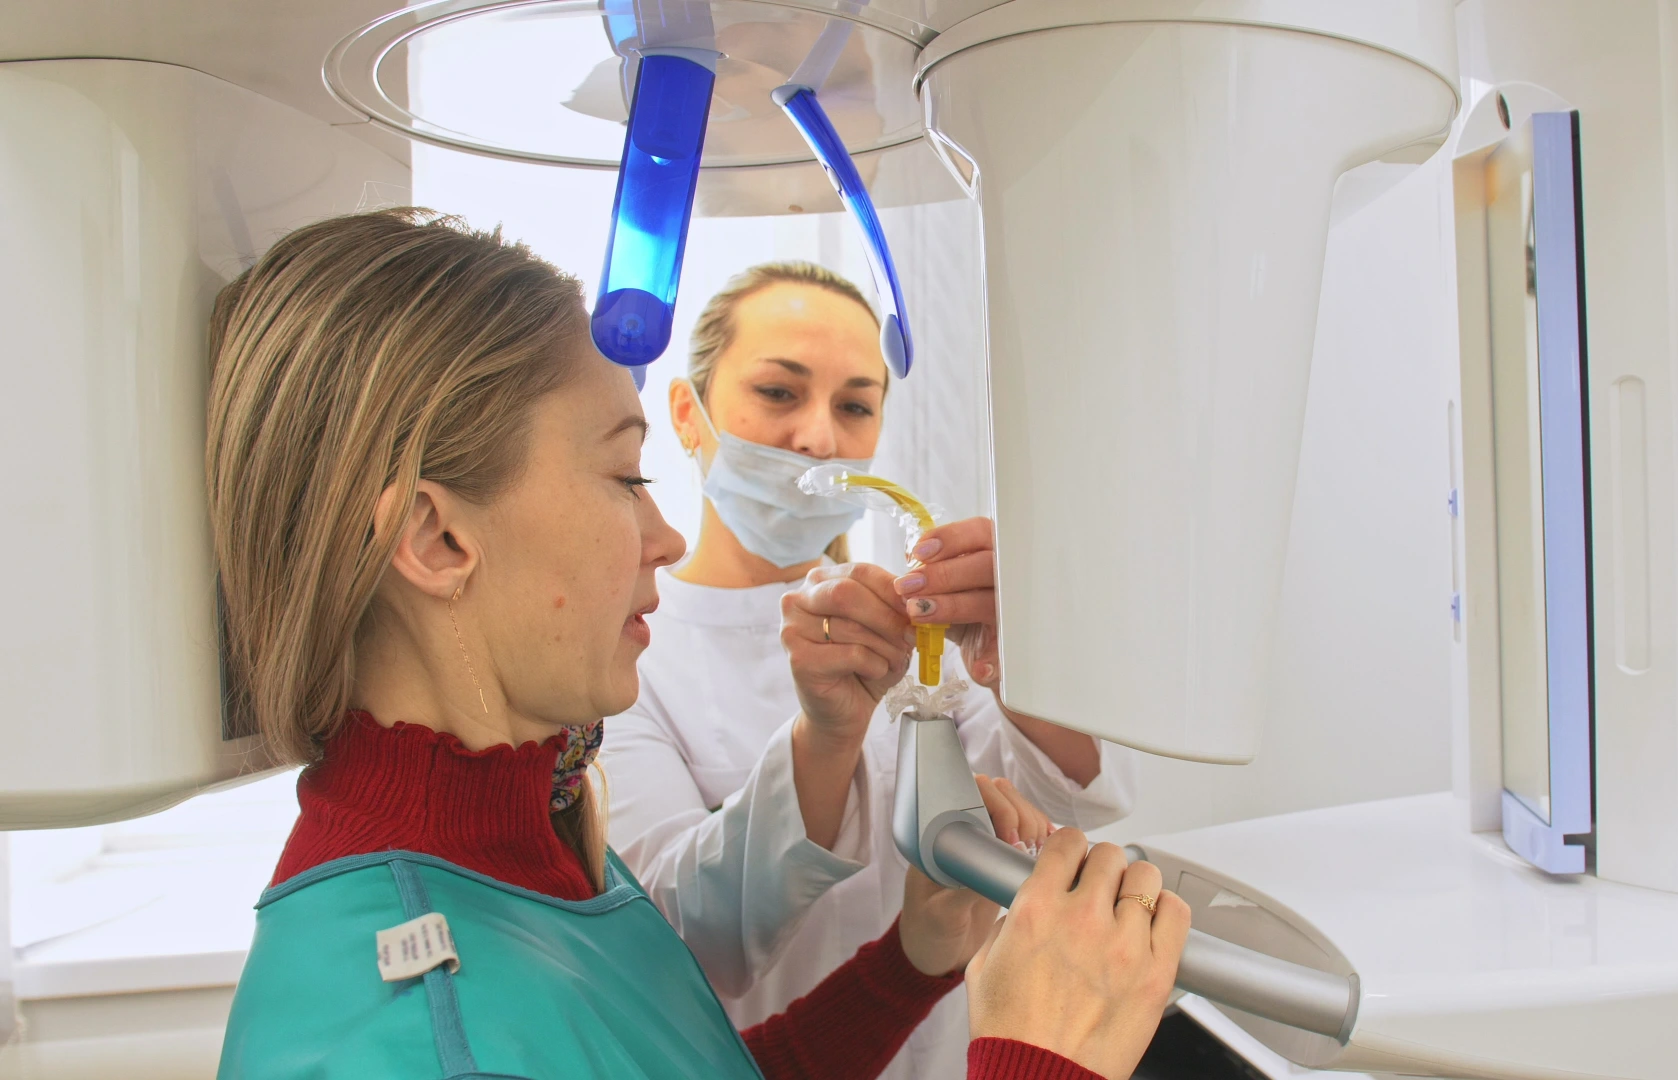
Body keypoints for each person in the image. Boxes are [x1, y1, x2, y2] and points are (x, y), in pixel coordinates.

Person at [207, 208, 1189, 1080]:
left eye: (856, 404)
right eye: (626, 479)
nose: (665, 535)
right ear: (435, 539)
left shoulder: (536, 830)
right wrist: (1037, 1062)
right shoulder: (422, 1027)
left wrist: (916, 959)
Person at [600, 262, 1138, 1079]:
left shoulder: (911, 630)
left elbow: (1063, 803)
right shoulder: (629, 650)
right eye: (780, 393)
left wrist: (1017, 656)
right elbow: (684, 937)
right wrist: (826, 737)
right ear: (687, 412)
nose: (820, 438)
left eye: (855, 406)